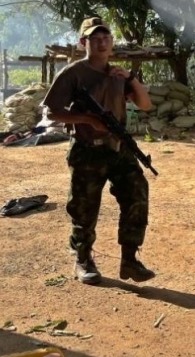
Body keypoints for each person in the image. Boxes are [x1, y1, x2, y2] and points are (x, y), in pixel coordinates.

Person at [42, 17, 155, 285]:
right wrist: (88, 120)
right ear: (84, 43)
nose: (102, 43)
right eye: (95, 39)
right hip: (87, 151)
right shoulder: (73, 73)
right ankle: (83, 259)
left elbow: (146, 105)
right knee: (84, 208)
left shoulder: (118, 74)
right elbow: (52, 112)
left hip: (118, 148)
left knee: (137, 195)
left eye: (106, 38)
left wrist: (131, 79)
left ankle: (129, 260)